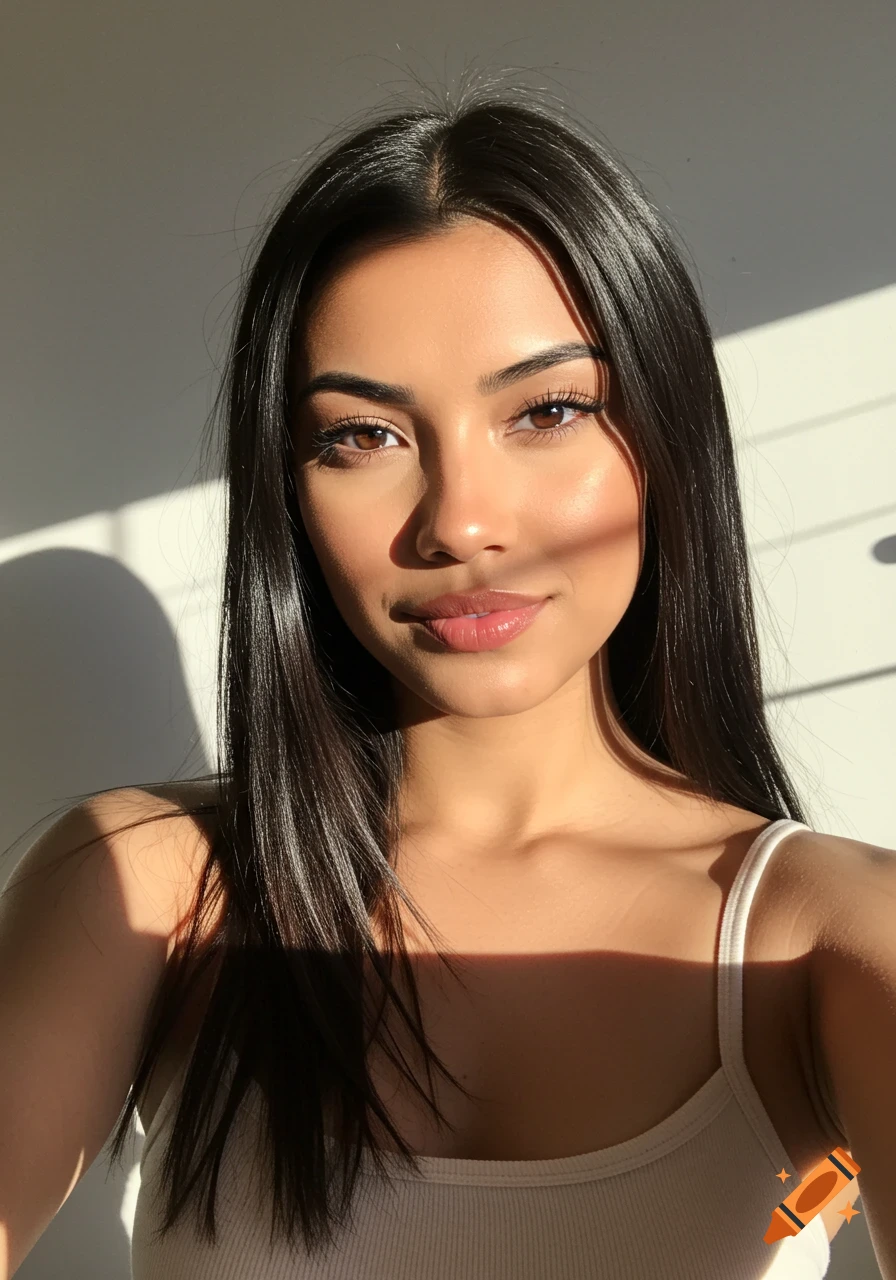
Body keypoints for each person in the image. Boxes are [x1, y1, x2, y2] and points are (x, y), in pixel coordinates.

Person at [2, 74, 893, 1280]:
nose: (461, 521)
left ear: (667, 437)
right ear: (289, 491)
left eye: (548, 409)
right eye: (361, 435)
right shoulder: (147, 886)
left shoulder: (824, 935)